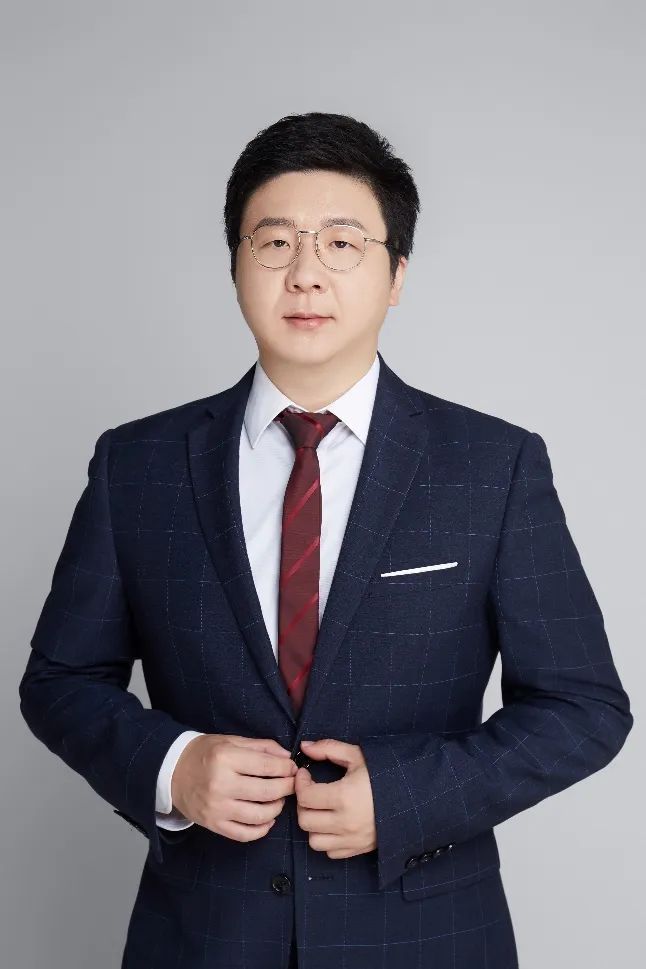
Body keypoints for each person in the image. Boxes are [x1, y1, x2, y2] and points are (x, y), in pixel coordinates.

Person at [19, 111, 633, 969]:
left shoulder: (492, 466)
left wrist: (409, 798)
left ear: (396, 274)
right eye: (275, 242)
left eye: (342, 243)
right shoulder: (138, 465)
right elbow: (59, 680)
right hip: (202, 939)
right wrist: (173, 767)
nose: (305, 272)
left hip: (424, 941)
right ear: (235, 266)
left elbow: (584, 707)